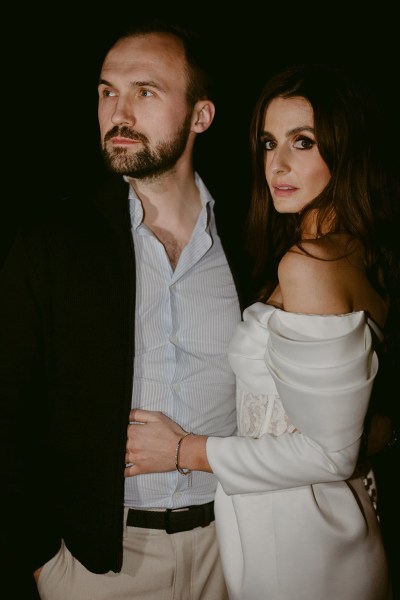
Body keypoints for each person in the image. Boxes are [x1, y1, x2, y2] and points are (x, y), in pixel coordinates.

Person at [124, 63, 400, 599]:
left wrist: (185, 452)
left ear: (347, 152)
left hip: (300, 549)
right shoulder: (354, 254)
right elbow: (356, 428)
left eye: (303, 141)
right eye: (269, 143)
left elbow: (330, 455)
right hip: (316, 531)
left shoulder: (309, 264)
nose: (278, 164)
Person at [0, 18, 251, 600]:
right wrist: (41, 560)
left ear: (200, 116)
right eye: (107, 91)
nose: (119, 112)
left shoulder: (253, 239)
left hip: (237, 547)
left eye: (145, 91)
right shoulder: (52, 241)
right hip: (101, 564)